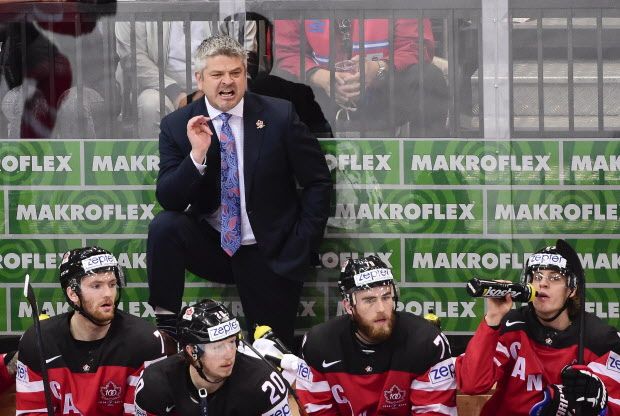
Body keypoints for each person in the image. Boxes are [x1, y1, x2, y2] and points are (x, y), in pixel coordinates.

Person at [147, 34, 332, 349]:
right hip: (214, 244)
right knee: (165, 226)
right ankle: (167, 327)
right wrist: (197, 156)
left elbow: (318, 182)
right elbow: (169, 198)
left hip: (269, 250)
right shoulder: (178, 125)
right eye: (217, 75)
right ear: (200, 79)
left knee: (271, 352)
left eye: (235, 73)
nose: (227, 82)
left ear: (246, 74)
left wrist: (302, 240)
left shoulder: (279, 115)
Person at [457, 240, 620, 415]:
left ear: (572, 289)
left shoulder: (599, 338)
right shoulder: (510, 326)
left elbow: (614, 404)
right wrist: (492, 318)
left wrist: (600, 400)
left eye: (555, 278)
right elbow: (472, 384)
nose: (543, 284)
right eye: (537, 277)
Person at [296, 255, 457, 415]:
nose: (381, 308)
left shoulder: (427, 341)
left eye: (386, 297)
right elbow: (318, 412)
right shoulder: (318, 343)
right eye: (369, 300)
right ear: (348, 306)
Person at [15, 246, 167, 415]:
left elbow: (142, 412)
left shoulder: (145, 340)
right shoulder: (37, 341)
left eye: (112, 284)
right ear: (73, 293)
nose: (108, 294)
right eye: (96, 286)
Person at [275, 17, 449, 136]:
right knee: (274, 85)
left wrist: (378, 68)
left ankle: (426, 175)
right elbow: (286, 50)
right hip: (322, 93)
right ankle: (291, 180)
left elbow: (415, 44)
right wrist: (320, 77)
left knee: (429, 79)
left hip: (385, 90)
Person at [134, 298, 292, 415]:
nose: (229, 353)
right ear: (191, 351)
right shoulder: (154, 384)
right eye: (217, 346)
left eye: (232, 342)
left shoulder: (264, 384)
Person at [115, 19, 256, 138]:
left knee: (229, 102)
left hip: (218, 84)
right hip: (159, 87)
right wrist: (176, 94)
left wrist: (212, 89)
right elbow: (132, 56)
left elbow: (244, 53)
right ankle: (162, 167)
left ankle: (223, 167)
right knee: (150, 105)